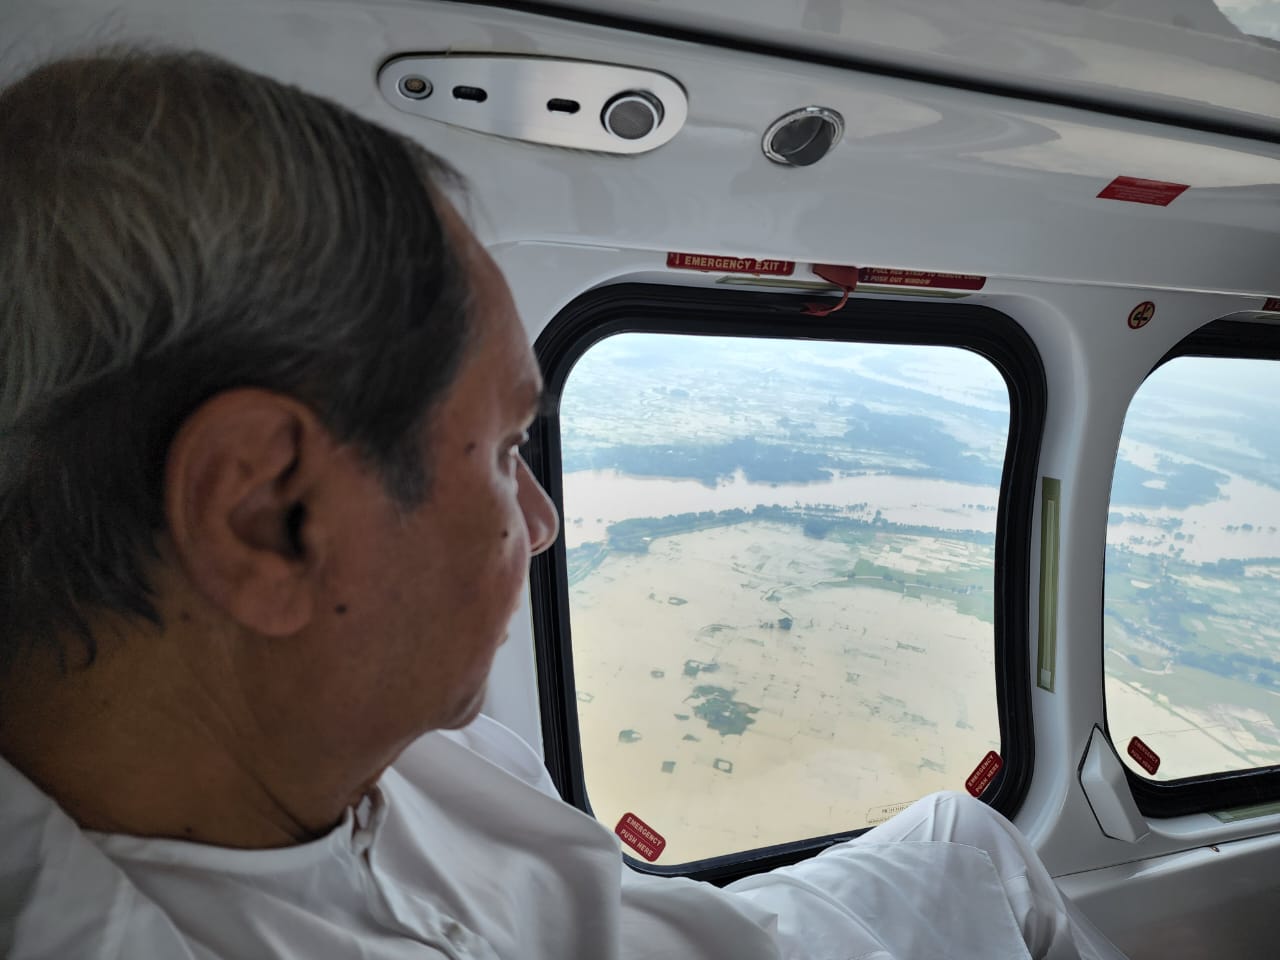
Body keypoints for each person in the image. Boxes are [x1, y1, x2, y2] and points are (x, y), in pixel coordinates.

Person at [0, 50, 1127, 960]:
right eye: (500, 450)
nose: (539, 521)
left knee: (967, 847)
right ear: (268, 516)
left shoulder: (408, 757)